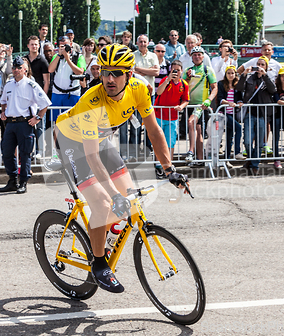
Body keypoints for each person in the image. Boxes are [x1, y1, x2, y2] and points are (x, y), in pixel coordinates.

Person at [54, 44, 189, 293]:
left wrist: (169, 169)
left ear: (129, 74)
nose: (109, 78)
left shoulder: (138, 89)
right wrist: (113, 197)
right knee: (104, 204)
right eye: (105, 72)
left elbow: (154, 130)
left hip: (100, 138)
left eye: (116, 72)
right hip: (72, 142)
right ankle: (98, 265)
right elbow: (92, 158)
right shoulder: (91, 101)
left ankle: (106, 227)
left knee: (131, 199)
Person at [0, 56, 52, 194]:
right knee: (7, 152)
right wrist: (3, 111)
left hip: (25, 123)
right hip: (10, 123)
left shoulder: (31, 85)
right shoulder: (9, 84)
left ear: (25, 69)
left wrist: (38, 118)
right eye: (14, 68)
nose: (16, 70)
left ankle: (23, 182)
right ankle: (12, 180)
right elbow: (3, 101)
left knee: (25, 154)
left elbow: (45, 103)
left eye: (19, 68)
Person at [235, 56, 276, 175]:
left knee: (259, 142)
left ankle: (254, 164)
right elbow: (239, 88)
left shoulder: (268, 78)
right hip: (250, 113)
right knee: (247, 140)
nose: (260, 67)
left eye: (263, 65)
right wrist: (244, 74)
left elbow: (273, 90)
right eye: (258, 64)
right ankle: (253, 159)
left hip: (262, 114)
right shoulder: (249, 78)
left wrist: (265, 75)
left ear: (266, 67)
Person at [154, 60, 190, 178]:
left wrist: (181, 106)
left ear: (181, 71)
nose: (176, 72)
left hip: (172, 117)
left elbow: (186, 100)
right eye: (173, 70)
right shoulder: (165, 80)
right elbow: (159, 92)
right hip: (159, 115)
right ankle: (158, 166)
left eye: (178, 70)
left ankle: (168, 166)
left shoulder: (184, 84)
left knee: (171, 141)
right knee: (159, 141)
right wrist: (168, 79)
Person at [182, 46, 218, 164]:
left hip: (201, 105)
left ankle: (191, 151)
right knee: (197, 130)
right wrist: (187, 78)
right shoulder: (188, 70)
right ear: (191, 57)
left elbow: (214, 88)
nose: (197, 57)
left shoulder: (208, 70)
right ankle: (200, 158)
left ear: (203, 56)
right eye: (194, 55)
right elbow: (182, 87)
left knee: (192, 122)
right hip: (189, 104)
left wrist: (209, 99)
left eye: (199, 54)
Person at [48, 36, 86, 124]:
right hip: (57, 93)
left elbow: (80, 72)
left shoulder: (78, 57)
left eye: (66, 45)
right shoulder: (56, 56)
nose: (64, 48)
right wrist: (59, 55)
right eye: (62, 46)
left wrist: (68, 59)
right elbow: (50, 69)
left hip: (72, 94)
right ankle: (56, 138)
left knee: (72, 121)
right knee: (56, 121)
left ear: (71, 44)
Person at [216, 65, 243, 161]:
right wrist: (228, 103)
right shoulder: (221, 84)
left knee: (229, 135)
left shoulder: (237, 85)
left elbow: (240, 97)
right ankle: (237, 152)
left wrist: (239, 102)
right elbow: (220, 98)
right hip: (225, 113)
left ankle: (226, 158)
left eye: (232, 73)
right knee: (239, 128)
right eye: (229, 73)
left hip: (234, 113)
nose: (231, 75)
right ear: (226, 74)